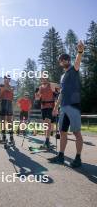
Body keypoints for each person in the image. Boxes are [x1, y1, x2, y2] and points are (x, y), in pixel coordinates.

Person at [48, 40, 84, 168]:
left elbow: (77, 62)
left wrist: (80, 51)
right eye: (60, 60)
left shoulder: (73, 70)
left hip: (73, 105)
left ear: (67, 60)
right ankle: (61, 156)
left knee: (76, 132)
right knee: (62, 132)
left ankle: (78, 158)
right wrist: (56, 107)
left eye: (63, 59)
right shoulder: (63, 76)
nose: (61, 61)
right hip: (63, 107)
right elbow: (61, 93)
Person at [36, 78, 59, 148]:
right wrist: (36, 94)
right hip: (43, 107)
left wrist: (56, 88)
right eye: (42, 79)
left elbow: (60, 88)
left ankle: (47, 140)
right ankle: (46, 140)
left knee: (48, 122)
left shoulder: (51, 85)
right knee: (45, 124)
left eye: (44, 78)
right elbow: (37, 98)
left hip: (50, 106)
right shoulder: (40, 88)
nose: (43, 80)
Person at [0, 75, 14, 143]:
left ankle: (11, 136)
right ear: (4, 79)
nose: (6, 80)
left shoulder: (12, 87)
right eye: (5, 79)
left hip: (9, 103)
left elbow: (12, 95)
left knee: (9, 120)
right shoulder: (1, 87)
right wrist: (2, 90)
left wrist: (5, 88)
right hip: (3, 102)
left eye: (8, 79)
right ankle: (4, 136)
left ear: (9, 80)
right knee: (2, 120)